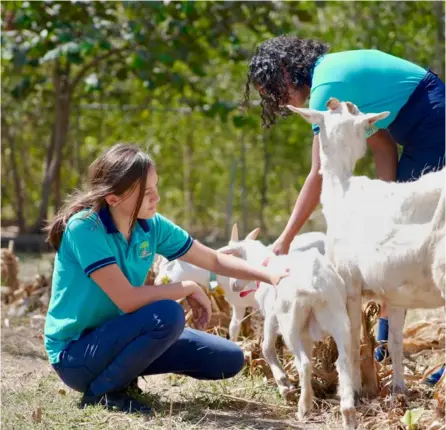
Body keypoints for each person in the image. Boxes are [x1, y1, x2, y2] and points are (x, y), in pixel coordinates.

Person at [244, 35, 445, 377]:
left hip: (433, 121)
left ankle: (388, 355)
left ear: (285, 71)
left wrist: (285, 240)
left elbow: (319, 173)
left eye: (278, 92)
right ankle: (382, 352)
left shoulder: (325, 92)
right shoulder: (336, 78)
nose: (282, 102)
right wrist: (388, 207)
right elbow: (382, 148)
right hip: (425, 119)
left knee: (424, 252)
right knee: (399, 248)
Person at [44, 143, 288, 413]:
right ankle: (104, 392)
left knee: (228, 358)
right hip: (76, 355)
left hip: (122, 336)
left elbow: (214, 259)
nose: (156, 198)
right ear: (113, 199)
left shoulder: (152, 225)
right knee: (169, 314)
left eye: (156, 187)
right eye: (147, 192)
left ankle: (122, 375)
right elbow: (127, 299)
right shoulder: (85, 228)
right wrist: (186, 287)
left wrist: (269, 275)